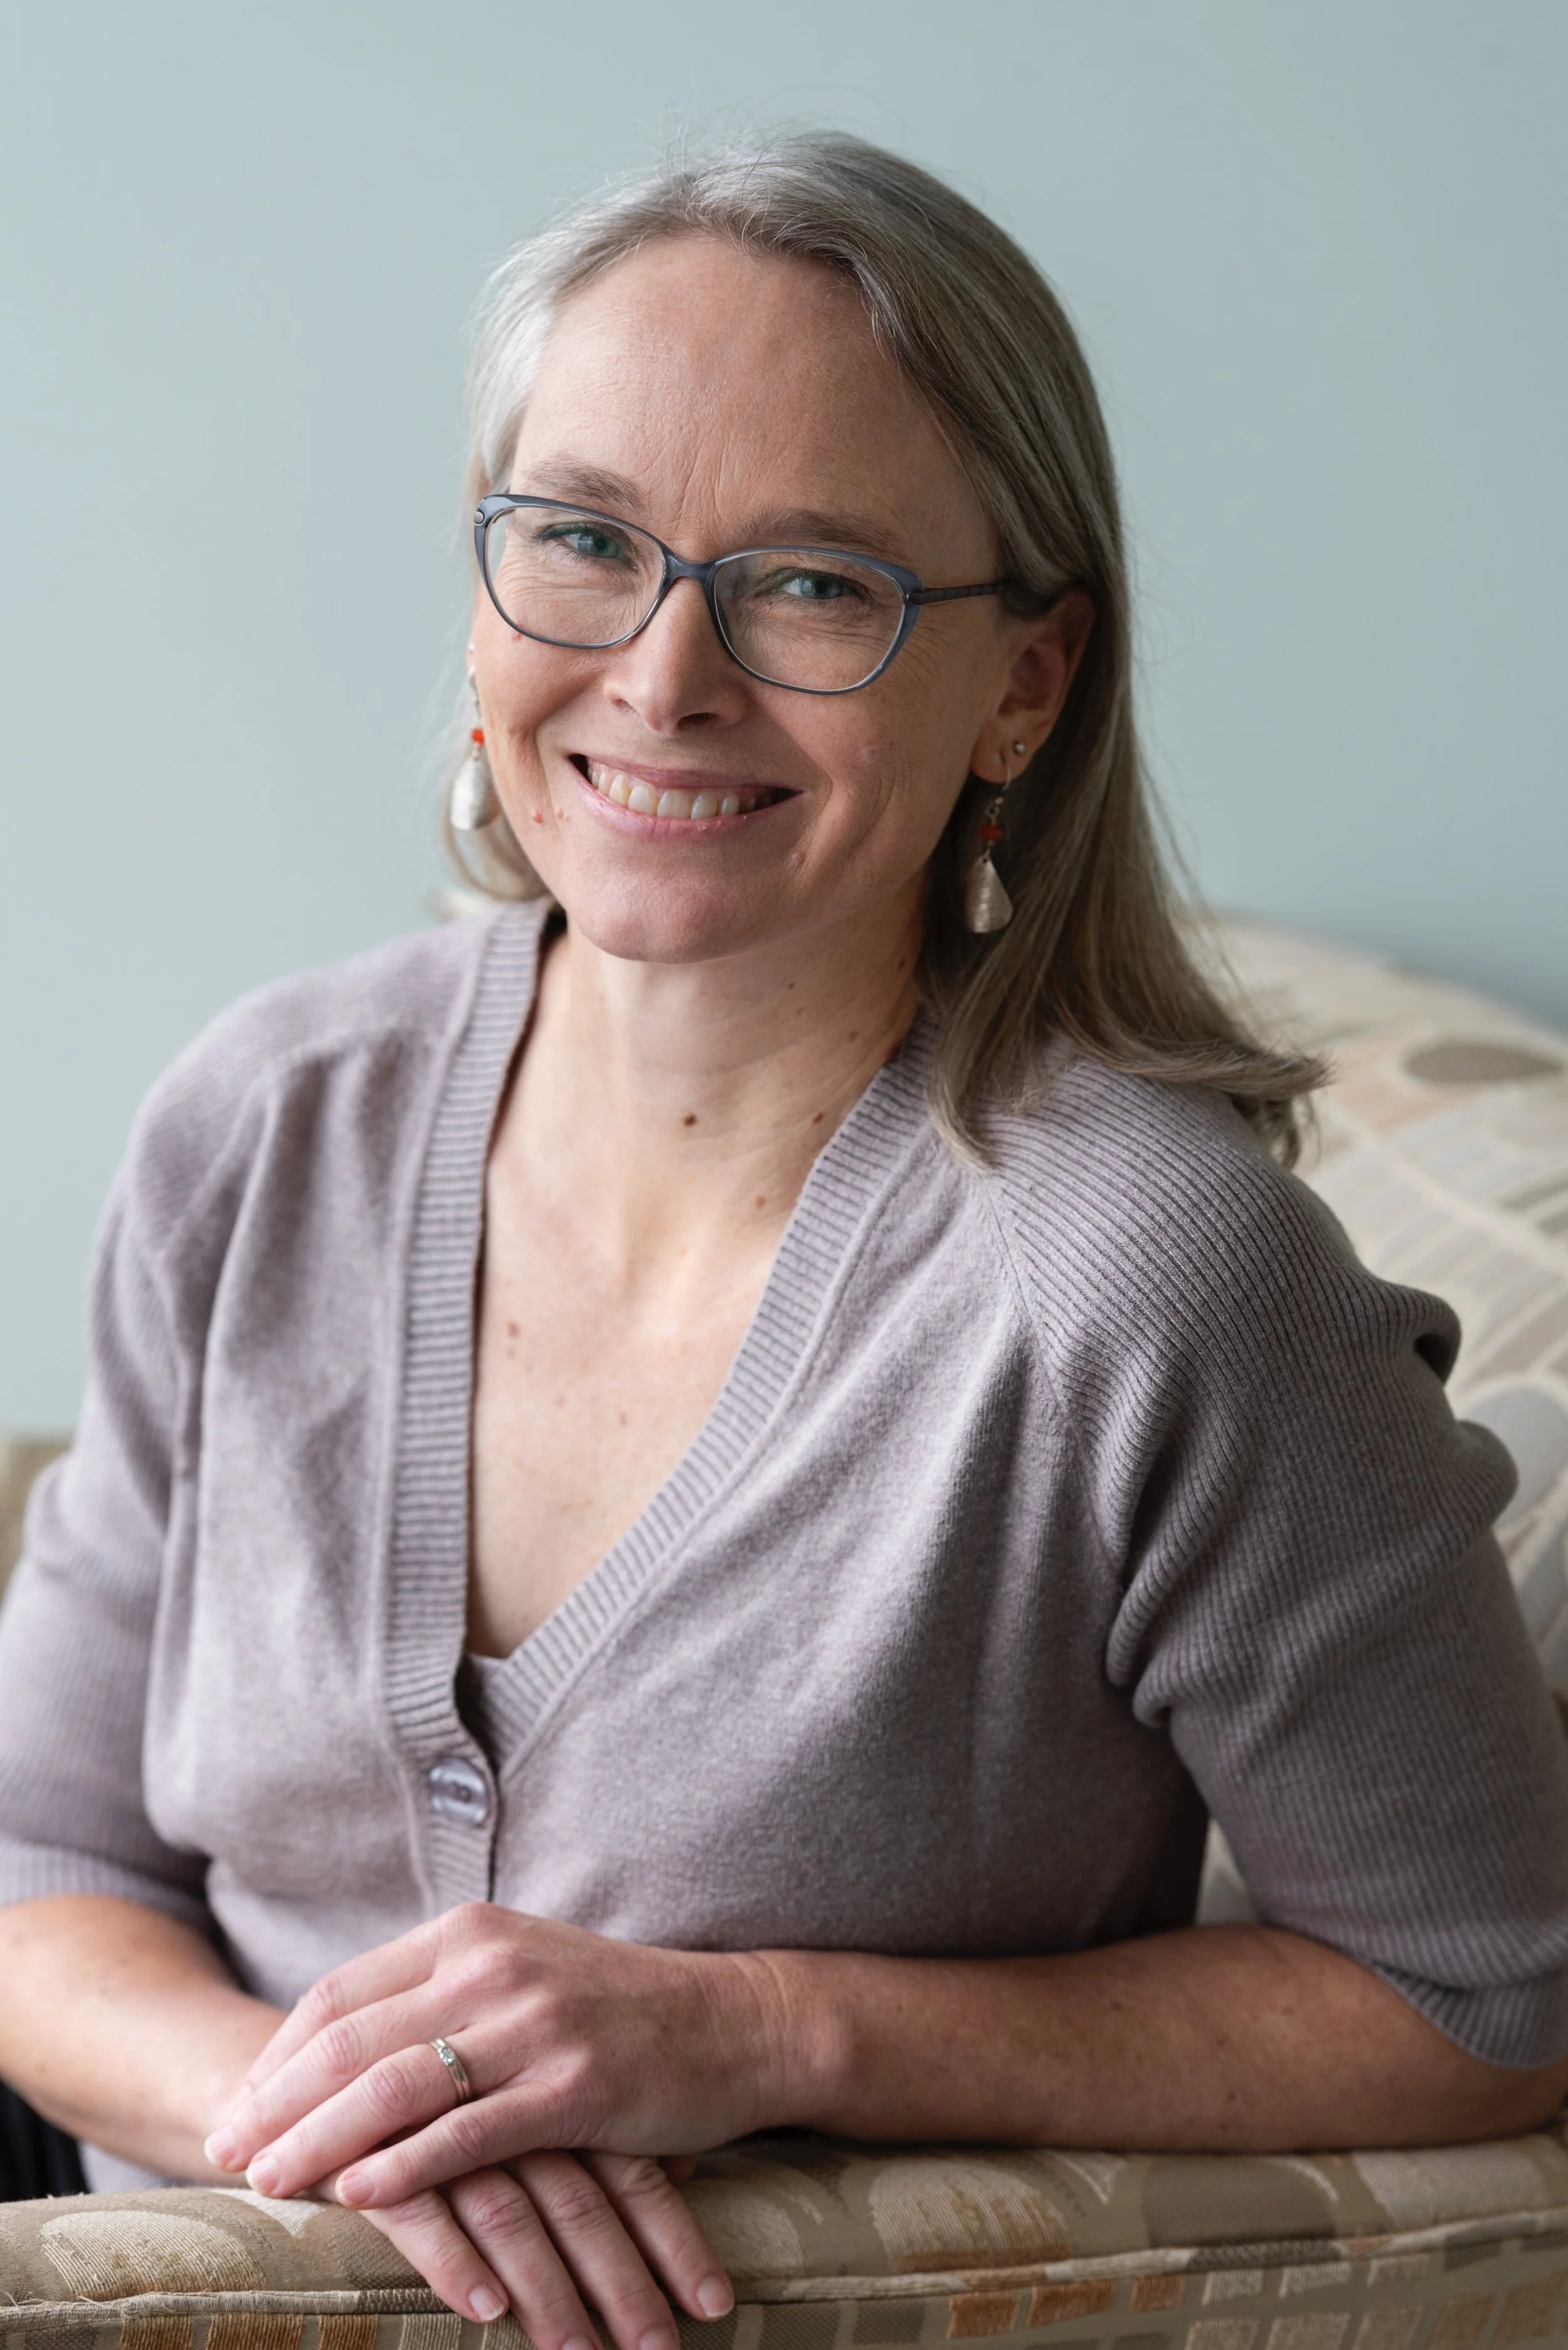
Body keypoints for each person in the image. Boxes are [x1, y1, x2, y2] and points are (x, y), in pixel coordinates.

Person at [3, 130, 1567, 2339]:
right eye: (581, 542)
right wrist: (375, 2143)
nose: (664, 678)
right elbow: (41, 1874)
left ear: (1024, 684)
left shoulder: (1155, 1290)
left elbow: (1477, 1994)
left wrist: (757, 2029)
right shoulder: (260, 1119)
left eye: (814, 582)